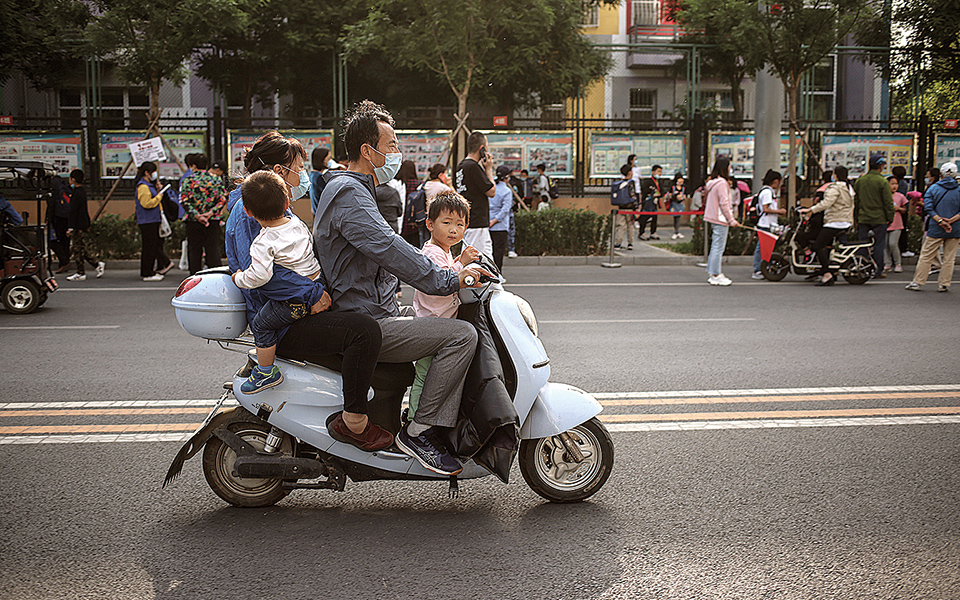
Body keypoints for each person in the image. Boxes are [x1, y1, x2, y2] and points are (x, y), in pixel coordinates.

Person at [315, 100, 487, 476]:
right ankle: (420, 429)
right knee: (460, 336)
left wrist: (451, 263)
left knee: (429, 317)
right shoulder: (349, 192)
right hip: (364, 318)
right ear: (367, 150)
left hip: (374, 308)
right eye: (391, 145)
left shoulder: (355, 188)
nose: (396, 152)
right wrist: (445, 279)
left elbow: (390, 250)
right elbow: (389, 249)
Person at [225, 129, 392, 452]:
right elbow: (262, 276)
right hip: (284, 319)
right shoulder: (247, 214)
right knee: (364, 332)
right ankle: (354, 422)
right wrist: (313, 294)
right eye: (298, 169)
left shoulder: (273, 206)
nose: (301, 175)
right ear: (278, 172)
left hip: (296, 308)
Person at [231, 170, 325, 393]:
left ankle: (266, 372)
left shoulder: (263, 242)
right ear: (286, 202)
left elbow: (260, 276)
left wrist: (239, 278)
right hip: (316, 283)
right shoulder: (298, 223)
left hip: (292, 301)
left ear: (247, 211)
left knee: (262, 324)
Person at [409, 191, 480, 422]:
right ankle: (414, 421)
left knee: (429, 374)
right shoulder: (431, 251)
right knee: (425, 376)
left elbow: (449, 273)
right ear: (430, 224)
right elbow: (444, 279)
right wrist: (463, 264)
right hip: (432, 326)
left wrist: (461, 263)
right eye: (446, 222)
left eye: (459, 224)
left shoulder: (445, 252)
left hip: (441, 324)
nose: (453, 230)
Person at [905, 162, 960, 293]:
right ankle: (944, 284)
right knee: (949, 257)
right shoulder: (959, 189)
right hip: (955, 227)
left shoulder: (933, 188)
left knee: (926, 255)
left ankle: (918, 282)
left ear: (941, 174)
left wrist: (940, 220)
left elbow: (928, 207)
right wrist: (951, 220)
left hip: (936, 227)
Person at [799, 165, 855, 287]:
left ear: (835, 175)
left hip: (835, 222)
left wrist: (810, 210)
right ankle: (831, 270)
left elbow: (826, 203)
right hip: (845, 221)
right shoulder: (849, 188)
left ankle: (827, 273)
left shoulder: (835, 188)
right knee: (828, 246)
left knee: (818, 245)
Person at [180, 154, 227, 275]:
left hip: (193, 220)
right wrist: (210, 213)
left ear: (193, 165)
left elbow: (184, 200)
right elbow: (222, 199)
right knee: (212, 248)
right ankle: (215, 277)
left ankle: (194, 278)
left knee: (194, 250)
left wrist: (197, 215)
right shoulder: (216, 179)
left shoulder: (188, 180)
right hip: (212, 220)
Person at [853, 155, 894, 278]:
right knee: (879, 245)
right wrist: (890, 217)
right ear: (881, 166)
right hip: (879, 218)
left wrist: (856, 217)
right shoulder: (882, 181)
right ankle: (878, 270)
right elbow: (888, 202)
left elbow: (857, 201)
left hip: (863, 217)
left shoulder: (861, 181)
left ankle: (862, 267)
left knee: (862, 244)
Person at [456, 132, 496, 255]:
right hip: (478, 221)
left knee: (471, 258)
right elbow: (491, 191)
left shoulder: (461, 166)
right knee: (483, 261)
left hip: (467, 219)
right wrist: (488, 169)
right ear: (482, 148)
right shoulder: (473, 167)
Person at [134, 161, 174, 282]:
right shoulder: (143, 187)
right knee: (149, 248)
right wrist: (159, 196)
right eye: (153, 172)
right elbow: (147, 203)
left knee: (151, 246)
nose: (155, 174)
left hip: (151, 219)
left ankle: (149, 271)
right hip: (148, 220)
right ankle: (147, 273)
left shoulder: (148, 185)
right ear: (147, 173)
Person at [703, 157, 740, 286]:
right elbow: (724, 204)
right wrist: (732, 220)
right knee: (718, 247)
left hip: (714, 217)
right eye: (729, 166)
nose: (730, 168)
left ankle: (713, 273)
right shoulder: (723, 183)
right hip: (721, 218)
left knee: (715, 246)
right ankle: (716, 274)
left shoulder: (713, 183)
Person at [64, 169, 105, 281]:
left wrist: (70, 227)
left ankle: (81, 272)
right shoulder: (81, 192)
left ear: (73, 179)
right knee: (80, 248)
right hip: (81, 224)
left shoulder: (77, 193)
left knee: (78, 249)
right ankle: (97, 265)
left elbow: (74, 211)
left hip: (78, 225)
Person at [751, 170, 785, 280]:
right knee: (761, 247)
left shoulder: (766, 191)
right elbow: (765, 209)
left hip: (766, 223)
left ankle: (761, 268)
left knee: (763, 247)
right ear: (775, 181)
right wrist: (780, 211)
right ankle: (758, 270)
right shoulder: (767, 192)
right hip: (765, 224)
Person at [489, 165, 513, 270]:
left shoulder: (491, 188)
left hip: (487, 223)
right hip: (500, 226)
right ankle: (497, 274)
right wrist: (494, 221)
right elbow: (505, 210)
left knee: (488, 251)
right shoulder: (507, 191)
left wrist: (489, 221)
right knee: (498, 252)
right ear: (507, 177)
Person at [612, 164, 637, 251]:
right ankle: (630, 243)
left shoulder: (620, 183)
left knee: (621, 226)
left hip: (621, 207)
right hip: (630, 208)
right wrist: (636, 206)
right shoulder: (630, 183)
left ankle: (618, 243)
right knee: (630, 225)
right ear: (629, 172)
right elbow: (633, 195)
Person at [886, 175, 908, 274]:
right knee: (885, 245)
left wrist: (898, 209)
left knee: (893, 244)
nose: (894, 186)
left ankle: (898, 263)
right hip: (885, 223)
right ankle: (887, 263)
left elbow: (905, 209)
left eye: (896, 184)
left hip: (897, 224)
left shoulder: (900, 196)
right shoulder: (884, 195)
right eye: (892, 184)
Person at [49, 176, 72, 273]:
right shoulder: (63, 184)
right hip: (67, 217)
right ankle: (63, 264)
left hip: (57, 217)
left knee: (52, 241)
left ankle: (64, 262)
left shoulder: (52, 184)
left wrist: (49, 218)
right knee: (65, 241)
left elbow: (51, 203)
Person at [638, 164, 663, 240]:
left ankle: (653, 232)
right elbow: (645, 190)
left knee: (654, 218)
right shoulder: (648, 181)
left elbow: (662, 191)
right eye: (658, 171)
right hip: (647, 202)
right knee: (644, 218)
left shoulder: (659, 181)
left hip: (655, 202)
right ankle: (642, 233)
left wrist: (659, 194)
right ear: (653, 172)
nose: (660, 173)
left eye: (661, 172)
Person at [309, 146, 331, 214]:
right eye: (329, 158)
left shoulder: (312, 175)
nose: (330, 161)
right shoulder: (319, 178)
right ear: (322, 160)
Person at [666, 173, 687, 240]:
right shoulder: (673, 187)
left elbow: (685, 194)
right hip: (674, 204)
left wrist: (683, 197)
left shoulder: (683, 188)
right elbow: (669, 195)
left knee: (678, 217)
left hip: (680, 204)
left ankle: (677, 231)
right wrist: (674, 196)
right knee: (675, 217)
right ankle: (676, 231)